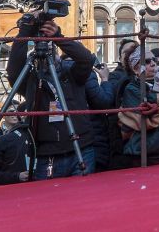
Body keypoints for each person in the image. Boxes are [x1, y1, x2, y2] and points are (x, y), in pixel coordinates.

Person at [7, 10, 98, 178]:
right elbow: (13, 73)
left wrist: (58, 36)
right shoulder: (32, 79)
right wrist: (25, 32)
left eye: (51, 47)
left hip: (81, 147)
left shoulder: (71, 72)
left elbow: (86, 59)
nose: (47, 50)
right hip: (47, 155)